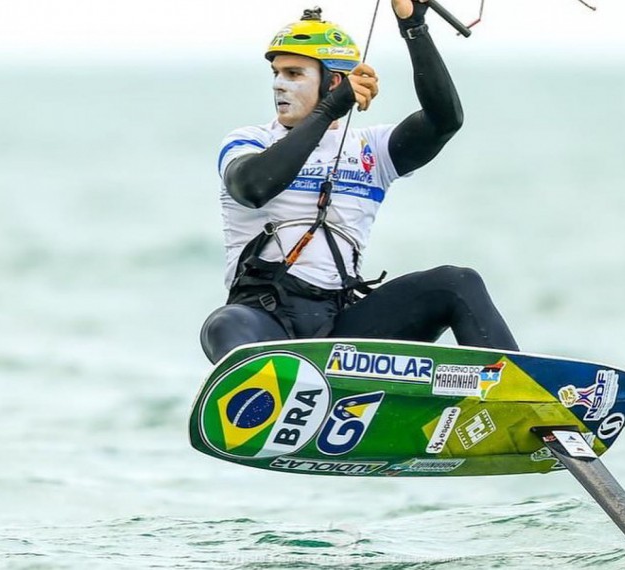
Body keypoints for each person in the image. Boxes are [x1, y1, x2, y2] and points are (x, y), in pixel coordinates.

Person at [201, 0, 518, 364]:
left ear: (334, 81)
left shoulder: (373, 150)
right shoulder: (250, 142)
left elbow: (444, 120)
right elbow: (253, 188)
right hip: (264, 318)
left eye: (294, 74)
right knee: (222, 324)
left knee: (458, 282)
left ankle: (525, 398)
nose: (278, 85)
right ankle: (269, 398)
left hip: (342, 327)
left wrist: (413, 27)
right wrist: (328, 109)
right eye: (276, 73)